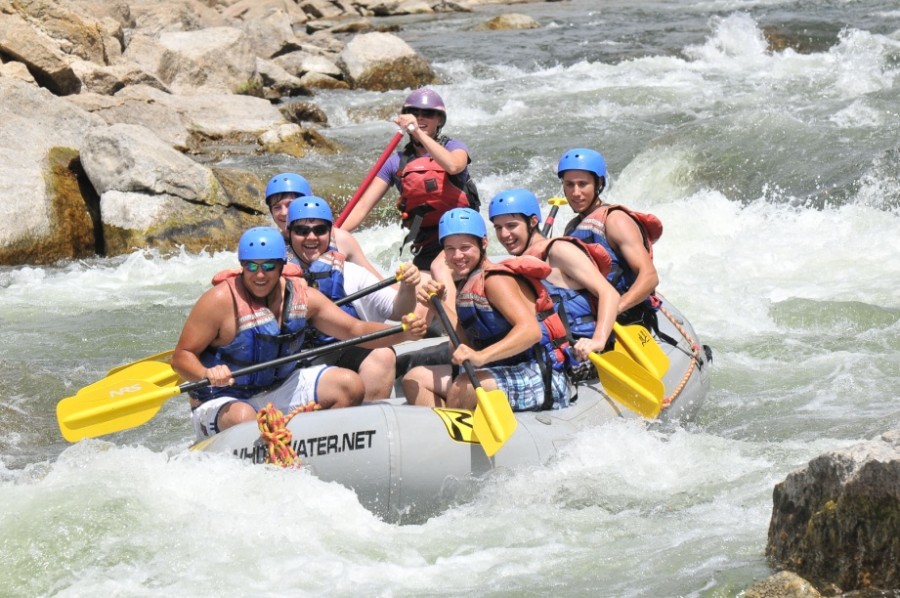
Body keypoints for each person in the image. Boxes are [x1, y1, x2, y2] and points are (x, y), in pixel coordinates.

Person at [172, 226, 426, 439]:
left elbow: (355, 329)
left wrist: (403, 333)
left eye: (269, 265)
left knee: (348, 386)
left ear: (282, 266)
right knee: (245, 419)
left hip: (278, 387)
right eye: (251, 266)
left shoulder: (303, 299)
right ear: (242, 266)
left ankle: (317, 449)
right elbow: (181, 356)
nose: (260, 275)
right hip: (224, 397)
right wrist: (206, 373)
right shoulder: (219, 301)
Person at [401, 208, 571, 411]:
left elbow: (531, 331)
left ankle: (454, 433)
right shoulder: (467, 283)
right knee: (415, 379)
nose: (457, 256)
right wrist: (438, 306)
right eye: (449, 249)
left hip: (541, 373)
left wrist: (482, 357)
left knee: (463, 388)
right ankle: (453, 425)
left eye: (465, 247)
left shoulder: (495, 280)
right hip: (500, 365)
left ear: (483, 243)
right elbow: (462, 345)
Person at [286, 197, 421, 401]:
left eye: (320, 230)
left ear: (330, 233)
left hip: (338, 351)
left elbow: (398, 311)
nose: (311, 237)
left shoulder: (350, 273)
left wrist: (408, 287)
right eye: (302, 231)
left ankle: (365, 423)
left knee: (382, 355)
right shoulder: (272, 276)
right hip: (293, 361)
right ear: (289, 234)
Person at [338, 88, 480, 274]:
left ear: (439, 120)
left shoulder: (454, 147)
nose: (420, 118)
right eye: (414, 113)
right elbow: (362, 206)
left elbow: (454, 166)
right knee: (416, 285)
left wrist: (418, 132)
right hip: (427, 241)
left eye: (428, 114)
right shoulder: (395, 162)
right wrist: (332, 234)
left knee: (440, 270)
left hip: (463, 236)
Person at [488, 188, 620, 379]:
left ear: (533, 221)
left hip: (582, 354)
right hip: (548, 354)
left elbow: (609, 293)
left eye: (511, 225)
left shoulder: (558, 250)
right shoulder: (523, 260)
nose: (504, 234)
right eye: (498, 228)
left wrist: (598, 341)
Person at [557, 148, 662, 328]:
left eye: (583, 184)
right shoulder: (572, 228)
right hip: (589, 318)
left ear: (598, 184)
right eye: (569, 184)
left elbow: (650, 276)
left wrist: (614, 308)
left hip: (629, 320)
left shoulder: (615, 221)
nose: (575, 193)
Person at [264, 172, 385, 281]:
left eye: (290, 204)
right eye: (276, 207)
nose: (284, 212)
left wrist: (403, 289)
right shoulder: (269, 246)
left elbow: (378, 282)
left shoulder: (341, 239)